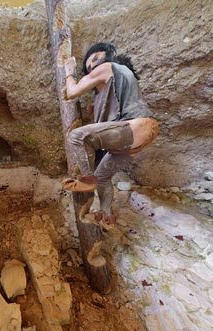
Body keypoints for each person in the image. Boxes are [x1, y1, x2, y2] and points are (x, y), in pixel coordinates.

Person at [62, 42, 158, 230]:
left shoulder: (109, 67)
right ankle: (106, 213)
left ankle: (88, 180)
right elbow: (112, 110)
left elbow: (72, 92)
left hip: (136, 127)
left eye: (96, 59)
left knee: (77, 136)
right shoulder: (115, 83)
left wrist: (69, 72)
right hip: (135, 139)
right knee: (103, 178)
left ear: (109, 55)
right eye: (89, 67)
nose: (93, 67)